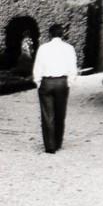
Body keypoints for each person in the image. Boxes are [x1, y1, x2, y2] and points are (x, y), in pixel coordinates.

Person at [31, 23, 77, 153]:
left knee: (47, 115)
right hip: (62, 82)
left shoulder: (43, 48)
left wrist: (38, 81)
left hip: (47, 82)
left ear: (49, 34)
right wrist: (69, 82)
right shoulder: (69, 48)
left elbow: (38, 67)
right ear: (62, 34)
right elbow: (72, 67)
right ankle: (58, 142)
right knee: (60, 113)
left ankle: (50, 146)